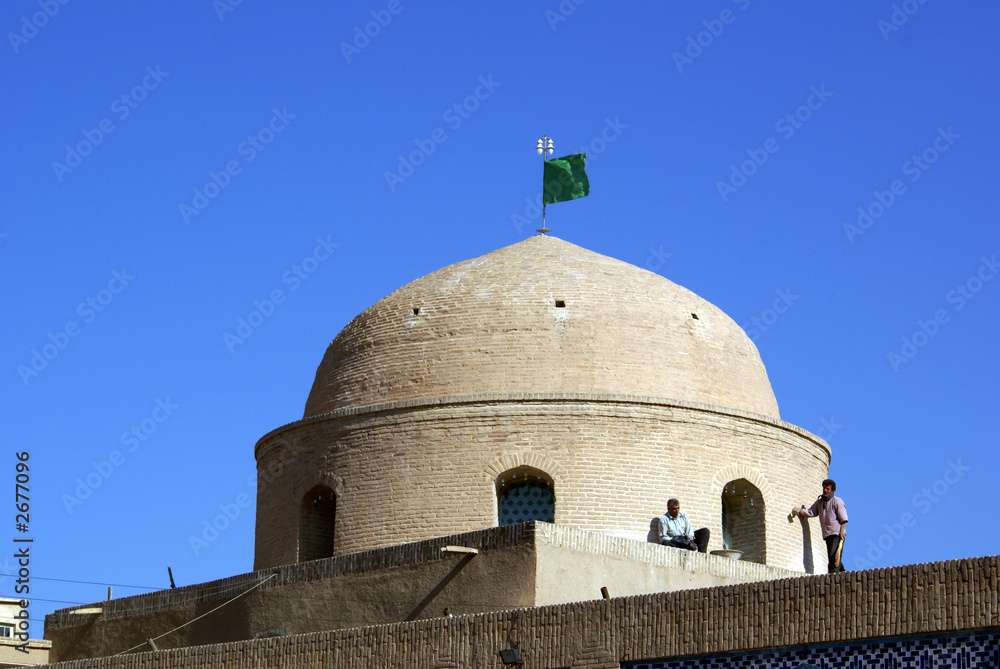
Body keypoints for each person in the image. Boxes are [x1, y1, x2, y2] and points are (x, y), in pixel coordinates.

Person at [792, 478, 848, 573]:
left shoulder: (837, 501)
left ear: (832, 490)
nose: (825, 490)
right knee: (833, 556)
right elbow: (811, 512)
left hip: (836, 533)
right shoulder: (820, 502)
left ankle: (833, 576)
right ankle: (843, 574)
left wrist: (843, 530)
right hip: (827, 534)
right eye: (824, 488)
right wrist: (800, 511)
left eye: (828, 489)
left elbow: (844, 518)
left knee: (834, 556)